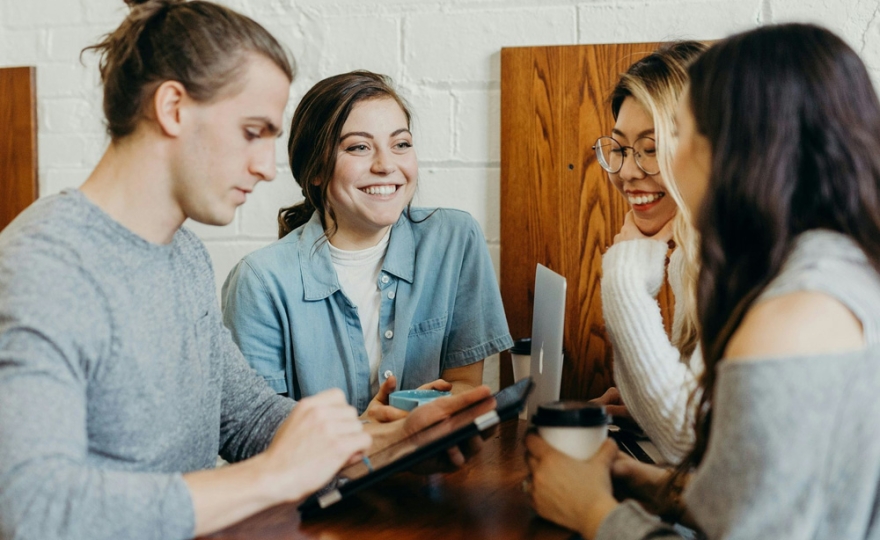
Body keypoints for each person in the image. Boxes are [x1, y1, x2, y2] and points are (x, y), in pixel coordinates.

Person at [0, 2, 491, 539]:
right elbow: (32, 508)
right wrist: (273, 476)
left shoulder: (182, 255)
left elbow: (247, 417)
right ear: (173, 108)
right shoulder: (43, 267)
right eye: (252, 132)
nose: (264, 166)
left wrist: (391, 445)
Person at [526, 23, 880, 539]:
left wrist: (592, 512)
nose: (649, 165)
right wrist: (650, 484)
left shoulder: (791, 317)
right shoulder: (836, 270)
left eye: (682, 133)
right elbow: (767, 499)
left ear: (742, 148)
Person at [222, 70, 513, 421]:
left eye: (400, 144)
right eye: (359, 147)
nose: (386, 165)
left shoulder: (455, 240)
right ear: (315, 170)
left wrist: (422, 414)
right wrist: (371, 433)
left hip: (431, 455)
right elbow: (258, 429)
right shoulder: (259, 281)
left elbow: (465, 384)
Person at [594, 42, 706, 464]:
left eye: (651, 148)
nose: (626, 171)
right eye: (620, 148)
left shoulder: (743, 261)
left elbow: (688, 441)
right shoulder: (692, 256)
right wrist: (644, 408)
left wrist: (624, 279)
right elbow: (693, 424)